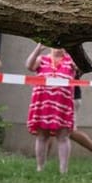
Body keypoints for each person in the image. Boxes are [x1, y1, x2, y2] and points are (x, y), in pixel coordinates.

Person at [25, 43, 77, 173]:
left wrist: (73, 50)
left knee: (63, 136)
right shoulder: (42, 59)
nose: (58, 47)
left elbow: (81, 69)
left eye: (61, 44)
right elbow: (29, 66)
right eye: (54, 44)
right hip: (43, 103)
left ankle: (63, 171)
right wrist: (38, 48)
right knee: (41, 136)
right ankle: (40, 168)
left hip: (62, 104)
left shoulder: (70, 61)